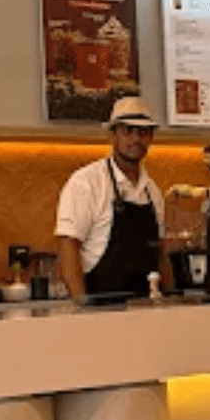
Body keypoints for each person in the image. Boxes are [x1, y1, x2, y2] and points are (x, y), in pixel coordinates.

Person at [55, 96, 170, 300]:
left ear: (151, 138)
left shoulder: (153, 192)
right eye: (127, 131)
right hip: (100, 311)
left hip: (147, 312)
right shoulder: (86, 183)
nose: (136, 139)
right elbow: (68, 246)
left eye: (143, 132)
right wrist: (82, 306)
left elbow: (160, 252)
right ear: (112, 136)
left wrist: (171, 298)